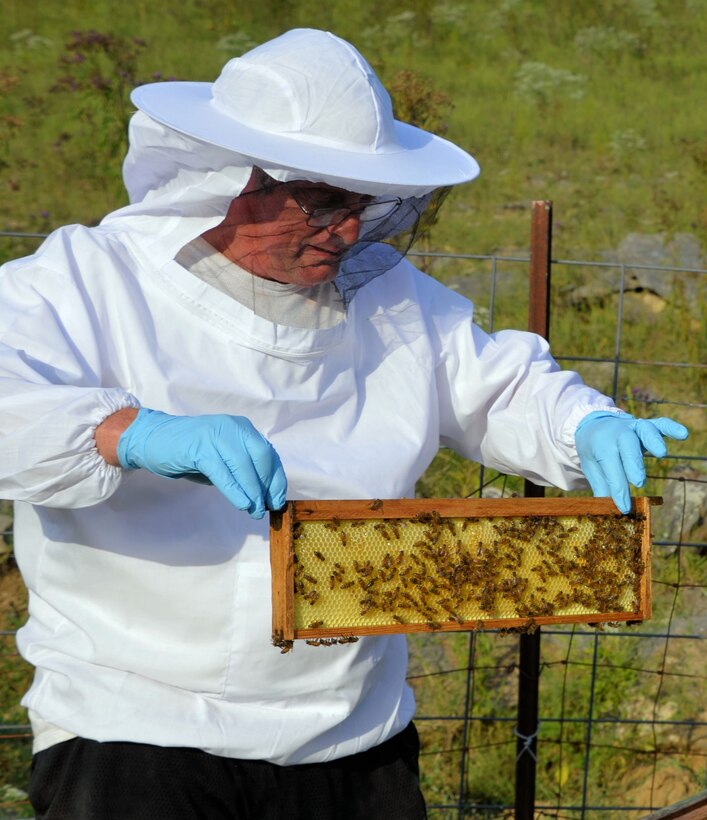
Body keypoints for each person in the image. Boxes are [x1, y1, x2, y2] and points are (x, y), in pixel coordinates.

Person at [0, 27, 687, 820]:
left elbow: (496, 387)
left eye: (364, 201)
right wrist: (131, 431)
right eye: (325, 200)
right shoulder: (88, 280)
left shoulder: (390, 297)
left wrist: (582, 425)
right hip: (135, 729)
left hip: (352, 734)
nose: (351, 229)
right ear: (237, 179)